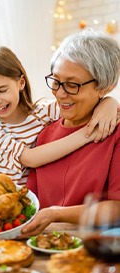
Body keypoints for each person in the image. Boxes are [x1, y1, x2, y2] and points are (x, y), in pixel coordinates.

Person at [0, 46, 118, 185]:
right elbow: (29, 159)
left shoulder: (42, 113)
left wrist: (109, 102)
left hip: (29, 201)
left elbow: (83, 106)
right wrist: (89, 134)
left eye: (2, 90)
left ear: (21, 83)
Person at [21, 29, 120, 237]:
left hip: (94, 246)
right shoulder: (44, 132)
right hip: (42, 244)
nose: (60, 93)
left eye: (72, 85)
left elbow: (117, 208)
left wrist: (56, 214)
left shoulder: (115, 134)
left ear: (105, 87)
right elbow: (30, 199)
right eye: (56, 81)